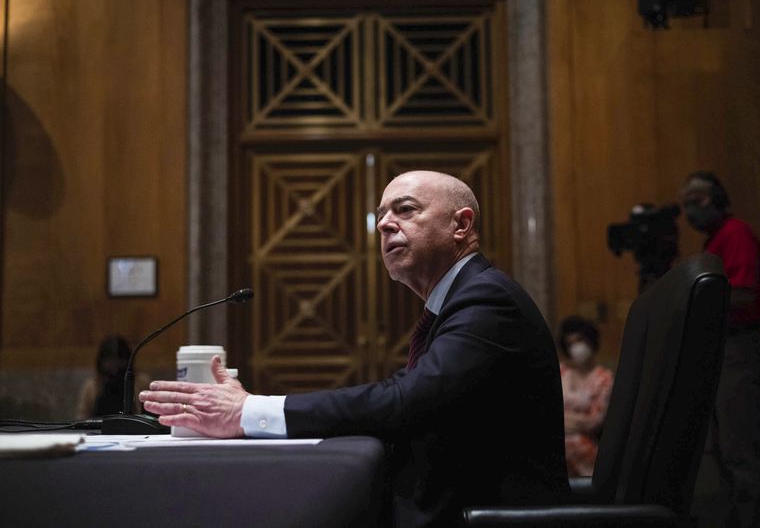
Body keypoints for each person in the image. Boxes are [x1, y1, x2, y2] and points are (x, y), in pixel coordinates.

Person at [140, 170, 569, 526]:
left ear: (461, 225)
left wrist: (248, 412)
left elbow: (409, 399)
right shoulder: (461, 300)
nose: (384, 225)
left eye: (405, 210)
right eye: (381, 215)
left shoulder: (488, 299)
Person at [681, 171, 760, 527]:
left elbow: (743, 293)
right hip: (724, 349)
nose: (691, 207)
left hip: (740, 347)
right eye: (686, 202)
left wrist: (695, 299)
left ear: (718, 197)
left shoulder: (735, 233)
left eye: (699, 198)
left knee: (742, 454)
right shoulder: (714, 241)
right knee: (725, 453)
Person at [557, 315, 614, 477]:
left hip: (586, 443)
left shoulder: (604, 378)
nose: (576, 348)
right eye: (570, 344)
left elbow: (594, 421)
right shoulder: (561, 371)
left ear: (590, 341)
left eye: (579, 340)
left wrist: (562, 420)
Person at [76, 334, 149, 418]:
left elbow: (148, 414)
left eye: (119, 359)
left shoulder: (141, 381)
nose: (115, 364)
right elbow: (82, 416)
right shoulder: (92, 386)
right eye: (110, 359)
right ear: (101, 361)